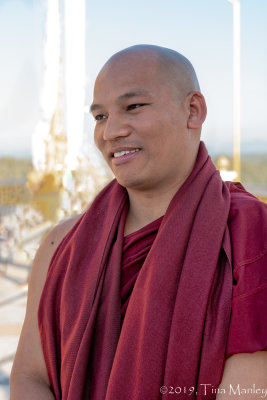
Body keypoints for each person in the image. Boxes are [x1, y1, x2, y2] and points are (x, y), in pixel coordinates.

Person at [10, 45, 267, 400]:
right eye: (100, 116)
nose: (111, 131)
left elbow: (247, 390)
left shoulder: (250, 234)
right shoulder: (62, 244)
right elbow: (29, 378)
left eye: (133, 107)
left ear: (193, 111)